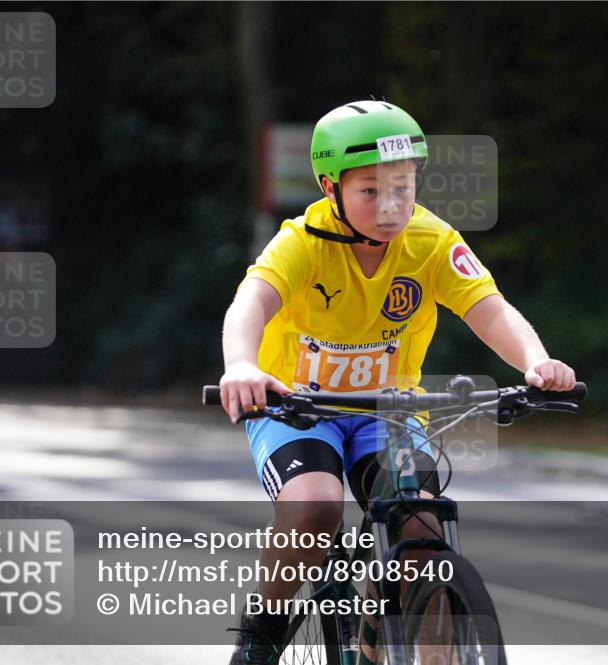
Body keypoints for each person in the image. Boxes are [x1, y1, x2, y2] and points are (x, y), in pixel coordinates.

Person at [218, 100, 576, 664]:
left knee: (422, 529)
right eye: (370, 191)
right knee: (314, 509)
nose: (391, 206)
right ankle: (261, 634)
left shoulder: (431, 240)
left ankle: (384, 646)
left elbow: (488, 307)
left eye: (403, 187)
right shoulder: (302, 241)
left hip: (388, 413)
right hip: (297, 411)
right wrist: (241, 364)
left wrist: (536, 360)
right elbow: (250, 303)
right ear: (329, 186)